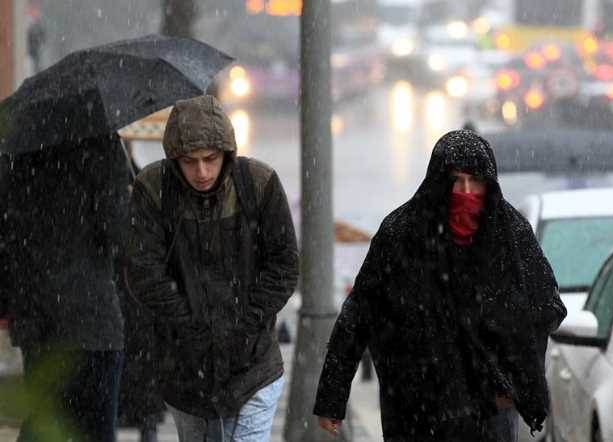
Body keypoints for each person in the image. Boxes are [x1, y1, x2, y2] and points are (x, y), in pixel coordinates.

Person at [313, 130, 567, 441]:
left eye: (475, 181)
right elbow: (358, 315)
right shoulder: (400, 234)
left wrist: (514, 374)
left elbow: (546, 307)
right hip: (414, 407)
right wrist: (332, 397)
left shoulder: (510, 233)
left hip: (487, 409)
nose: (466, 192)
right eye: (456, 181)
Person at [126, 95, 299, 442]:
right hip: (186, 370)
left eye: (210, 159)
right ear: (175, 159)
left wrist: (246, 323)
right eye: (190, 162)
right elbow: (143, 272)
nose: (202, 172)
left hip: (253, 365)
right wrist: (188, 325)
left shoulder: (259, 183)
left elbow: (284, 264)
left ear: (226, 154)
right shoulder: (153, 189)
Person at [2, 134, 130, 442]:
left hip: (38, 318)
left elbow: (6, 238)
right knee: (95, 430)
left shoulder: (18, 147)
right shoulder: (101, 143)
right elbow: (118, 234)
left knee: (44, 424)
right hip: (92, 319)